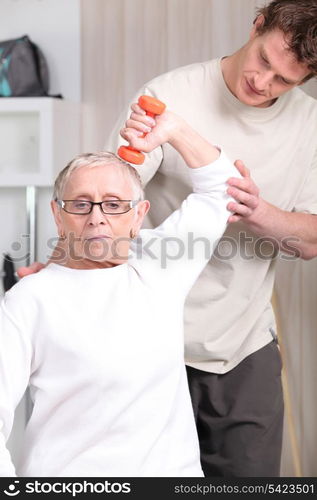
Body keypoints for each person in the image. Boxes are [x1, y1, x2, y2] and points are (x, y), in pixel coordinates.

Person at [18, 0, 317, 477]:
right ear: (257, 24)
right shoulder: (169, 94)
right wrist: (60, 267)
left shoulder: (309, 125)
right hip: (145, 341)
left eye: (284, 79)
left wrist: (260, 215)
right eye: (264, 59)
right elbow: (108, 194)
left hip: (239, 342)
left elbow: (310, 238)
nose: (262, 82)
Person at [0, 108, 241, 476]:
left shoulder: (160, 267)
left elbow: (222, 186)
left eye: (113, 205)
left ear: (137, 214)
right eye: (80, 204)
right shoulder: (30, 299)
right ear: (58, 214)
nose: (97, 217)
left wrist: (173, 129)